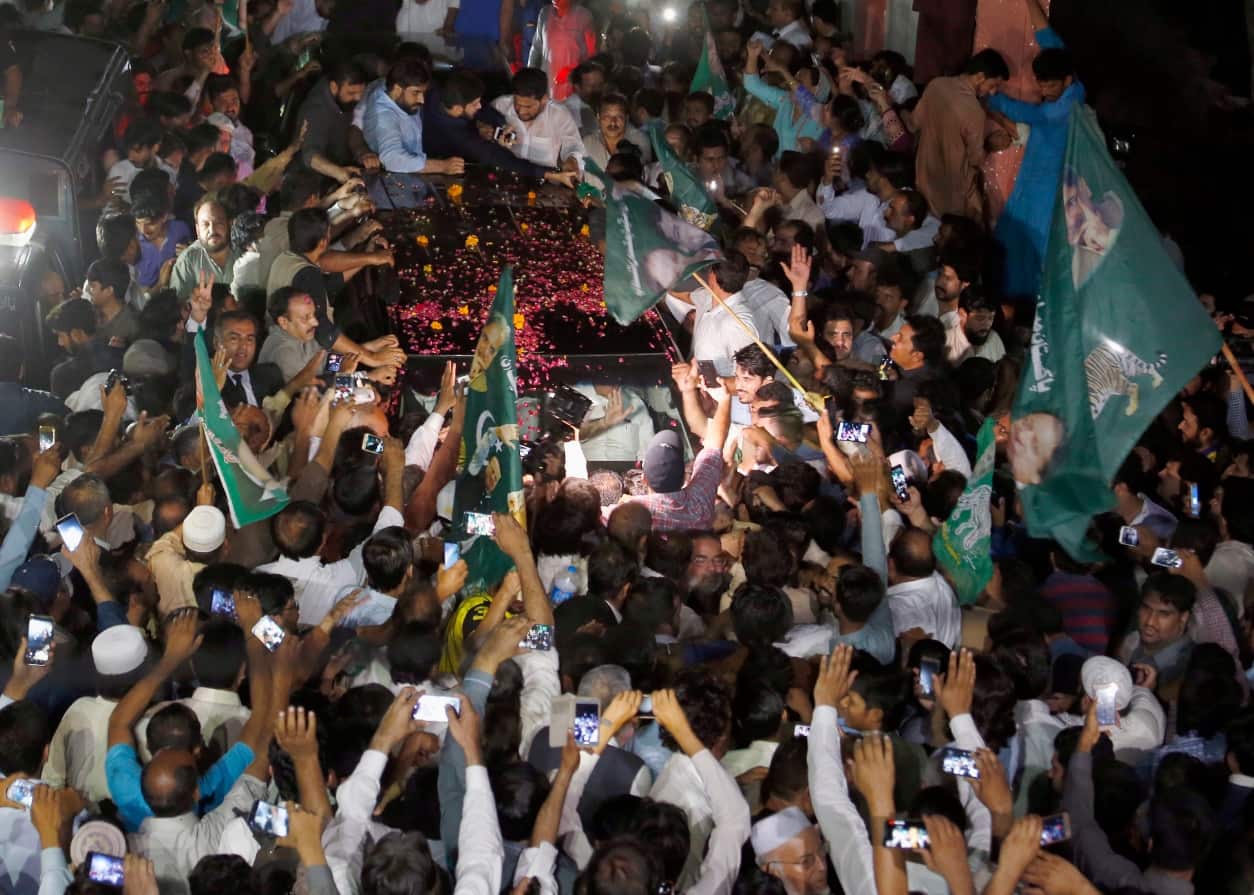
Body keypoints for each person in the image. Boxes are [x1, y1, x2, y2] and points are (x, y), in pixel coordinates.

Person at [986, 0, 1086, 298]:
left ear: (1066, 81)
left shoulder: (1065, 107)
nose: (1044, 92)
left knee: (1031, 245)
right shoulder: (1065, 72)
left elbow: (1029, 114)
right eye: (1040, 85)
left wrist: (990, 96)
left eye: (1049, 86)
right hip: (1032, 178)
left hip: (1047, 187)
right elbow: (1046, 36)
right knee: (1010, 240)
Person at [913, 48, 1009, 220]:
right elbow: (975, 159)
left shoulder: (936, 85)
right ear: (980, 77)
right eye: (993, 85)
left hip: (923, 180)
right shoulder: (974, 110)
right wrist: (990, 143)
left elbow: (914, 123)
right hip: (953, 192)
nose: (993, 92)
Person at [363, 58, 466, 176]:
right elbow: (393, 159)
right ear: (397, 89)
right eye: (416, 93)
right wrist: (442, 166)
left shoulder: (399, 96)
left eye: (423, 93)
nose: (421, 100)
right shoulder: (383, 115)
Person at [491, 66, 584, 170]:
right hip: (508, 175)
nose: (521, 111)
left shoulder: (559, 114)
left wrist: (572, 160)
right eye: (517, 104)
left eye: (528, 106)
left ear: (544, 100)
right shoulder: (499, 106)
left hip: (547, 180)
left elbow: (573, 145)